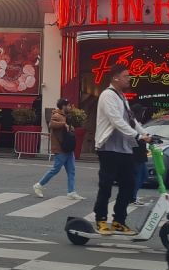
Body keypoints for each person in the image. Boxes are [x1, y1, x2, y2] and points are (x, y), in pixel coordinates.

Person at [93, 65, 150, 236]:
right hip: (108, 147)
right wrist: (138, 137)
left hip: (124, 148)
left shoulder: (122, 97)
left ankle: (119, 221)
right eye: (126, 76)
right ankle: (101, 220)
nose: (129, 78)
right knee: (106, 185)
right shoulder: (107, 95)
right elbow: (116, 120)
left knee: (128, 185)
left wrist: (146, 133)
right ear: (115, 78)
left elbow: (131, 120)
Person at [33, 98, 83, 200]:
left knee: (71, 170)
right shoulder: (56, 115)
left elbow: (67, 129)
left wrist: (70, 127)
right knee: (55, 169)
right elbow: (52, 124)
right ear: (63, 106)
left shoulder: (66, 116)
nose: (70, 107)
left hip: (67, 148)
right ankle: (39, 185)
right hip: (60, 148)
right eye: (68, 105)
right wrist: (63, 124)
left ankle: (71, 192)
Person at [131, 104, 149, 206]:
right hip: (135, 153)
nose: (143, 113)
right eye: (141, 111)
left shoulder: (140, 123)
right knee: (138, 176)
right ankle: (132, 197)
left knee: (144, 176)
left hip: (141, 153)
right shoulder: (132, 123)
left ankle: (133, 195)